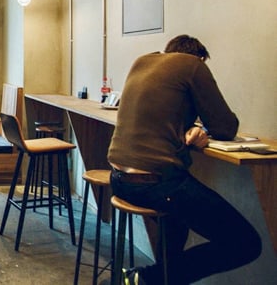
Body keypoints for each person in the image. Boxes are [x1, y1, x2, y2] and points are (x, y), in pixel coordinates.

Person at [107, 35, 261, 285]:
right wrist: (203, 127)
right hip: (155, 185)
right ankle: (146, 278)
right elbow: (225, 127)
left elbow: (159, 115)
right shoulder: (192, 65)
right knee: (246, 243)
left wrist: (191, 127)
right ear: (199, 59)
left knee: (177, 220)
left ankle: (158, 279)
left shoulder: (142, 62)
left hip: (119, 179)